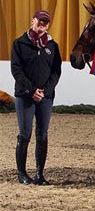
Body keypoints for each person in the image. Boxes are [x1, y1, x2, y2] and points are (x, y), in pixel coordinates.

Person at [11, 10, 62, 185]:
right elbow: (16, 70)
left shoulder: (52, 46)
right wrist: (32, 90)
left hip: (45, 98)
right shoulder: (19, 43)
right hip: (25, 95)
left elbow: (56, 72)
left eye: (45, 23)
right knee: (25, 134)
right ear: (33, 21)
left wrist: (45, 91)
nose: (42, 26)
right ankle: (22, 173)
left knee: (43, 135)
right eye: (39, 22)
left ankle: (40, 174)